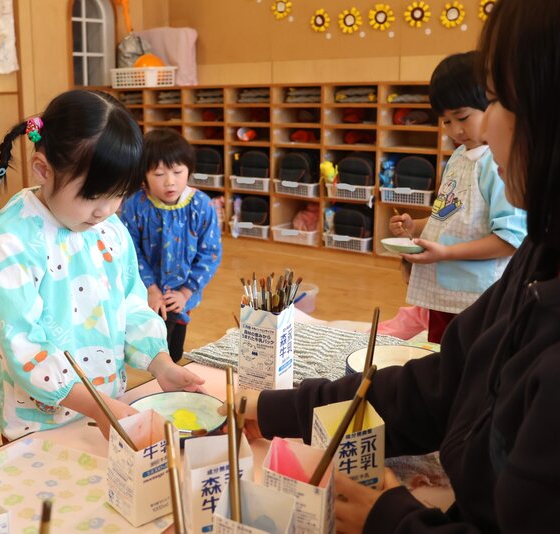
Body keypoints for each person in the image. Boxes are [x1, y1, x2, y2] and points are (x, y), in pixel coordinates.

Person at [236, 2, 560, 530]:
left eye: (498, 99)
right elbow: (437, 386)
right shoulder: (539, 258)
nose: (481, 127)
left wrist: (391, 519)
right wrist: (271, 408)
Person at [0, 90, 205, 442]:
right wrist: (98, 407)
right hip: (38, 425)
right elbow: (25, 349)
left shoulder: (108, 228)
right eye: (93, 196)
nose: (106, 210)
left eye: (119, 195)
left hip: (107, 407)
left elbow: (130, 303)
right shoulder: (9, 244)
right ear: (43, 170)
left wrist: (161, 363)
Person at [388, 51, 526, 343]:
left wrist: (447, 253)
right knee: (442, 357)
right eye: (446, 121)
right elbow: (447, 215)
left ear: (493, 107)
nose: (456, 130)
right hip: (444, 291)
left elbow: (510, 239)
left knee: (472, 360)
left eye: (462, 117)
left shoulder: (496, 163)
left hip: (479, 296)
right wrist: (415, 226)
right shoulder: (458, 157)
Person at [120, 129, 222, 362]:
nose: (170, 181)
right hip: (145, 291)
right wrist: (150, 289)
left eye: (178, 172)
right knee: (149, 348)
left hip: (183, 293)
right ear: (144, 175)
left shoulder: (201, 205)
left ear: (189, 171)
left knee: (174, 349)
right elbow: (130, 250)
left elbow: (210, 253)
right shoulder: (135, 205)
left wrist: (186, 292)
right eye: (159, 174)